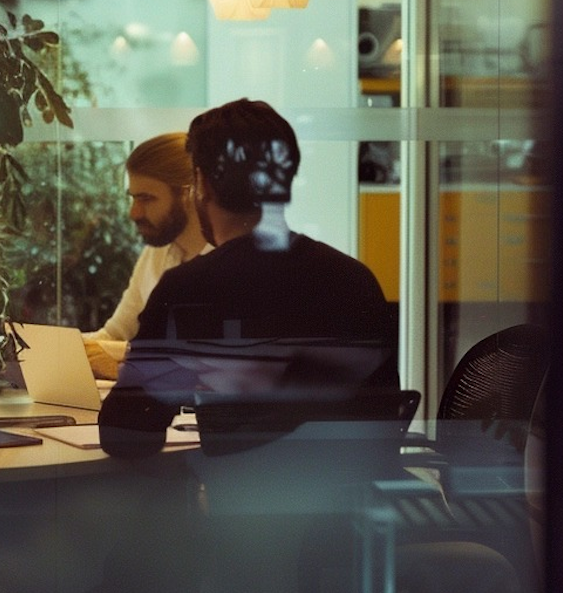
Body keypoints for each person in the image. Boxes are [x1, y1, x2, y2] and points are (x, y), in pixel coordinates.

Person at [100, 98, 398, 458]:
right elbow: (379, 421)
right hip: (352, 506)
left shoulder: (189, 288)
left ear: (202, 183)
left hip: (238, 507)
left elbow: (124, 436)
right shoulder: (354, 279)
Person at [82, 133, 210, 379]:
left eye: (147, 199)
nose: (134, 213)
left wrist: (117, 361)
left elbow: (196, 363)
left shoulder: (231, 260)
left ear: (188, 194)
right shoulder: (156, 252)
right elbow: (114, 335)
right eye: (132, 198)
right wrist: (64, 349)